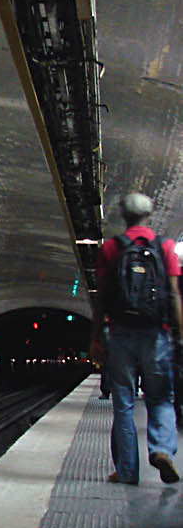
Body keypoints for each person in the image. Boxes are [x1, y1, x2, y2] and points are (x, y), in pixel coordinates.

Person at [90, 192, 182, 485]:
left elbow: (102, 297)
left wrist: (96, 337)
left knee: (124, 403)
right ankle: (162, 450)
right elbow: (174, 293)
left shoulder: (111, 248)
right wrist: (179, 335)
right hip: (157, 334)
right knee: (160, 399)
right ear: (150, 214)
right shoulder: (165, 247)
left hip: (121, 333)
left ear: (123, 215)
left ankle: (127, 471)